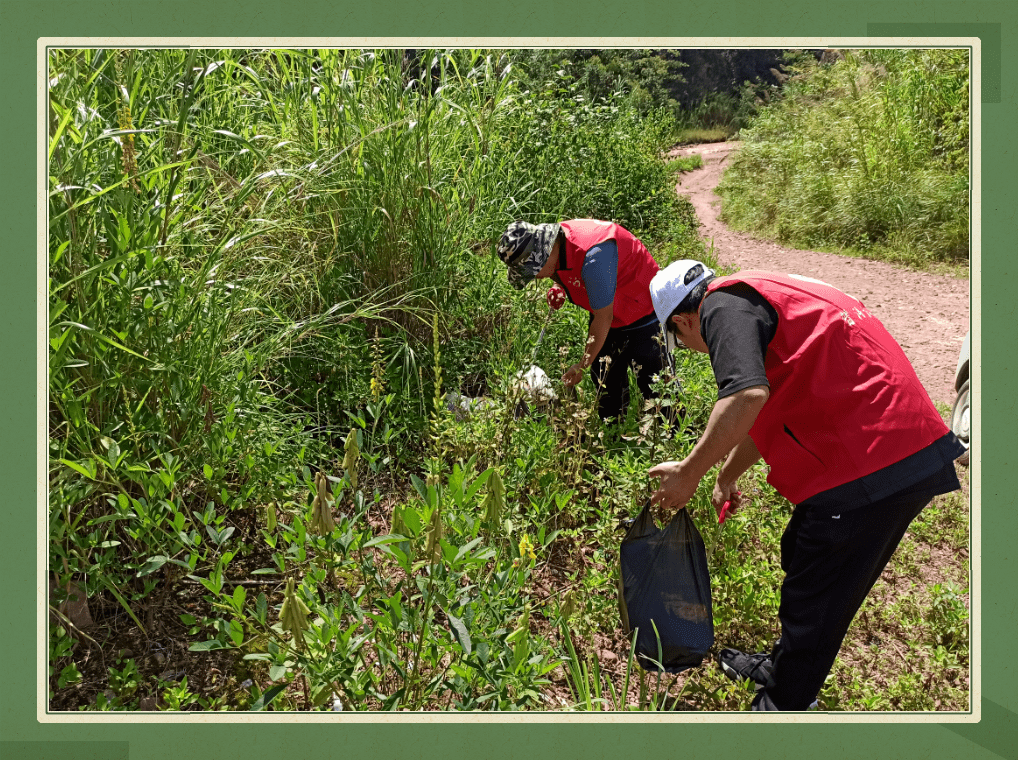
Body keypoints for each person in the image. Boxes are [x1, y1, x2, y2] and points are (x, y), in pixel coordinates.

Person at [645, 260, 966, 711]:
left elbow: (744, 395)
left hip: (872, 459)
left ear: (683, 320)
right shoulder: (763, 289)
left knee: (818, 596)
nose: (692, 346)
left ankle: (784, 707)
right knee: (802, 553)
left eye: (681, 339)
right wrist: (727, 473)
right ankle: (784, 667)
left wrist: (688, 474)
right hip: (900, 445)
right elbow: (767, 400)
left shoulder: (721, 307)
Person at [497, 219, 668, 423]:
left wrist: (581, 365)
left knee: (659, 388)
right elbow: (572, 271)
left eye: (532, 272)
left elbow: (603, 318)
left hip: (644, 311)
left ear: (542, 257)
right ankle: (614, 437)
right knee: (605, 382)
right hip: (607, 309)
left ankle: (679, 439)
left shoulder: (595, 257)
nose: (536, 278)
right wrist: (562, 287)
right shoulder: (555, 245)